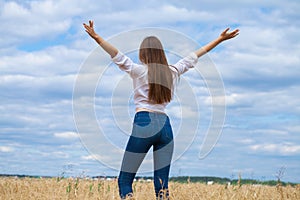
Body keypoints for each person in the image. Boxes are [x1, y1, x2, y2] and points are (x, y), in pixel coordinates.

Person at [83, 20, 239, 200]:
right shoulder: (172, 72)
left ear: (143, 54)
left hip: (144, 122)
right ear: (162, 54)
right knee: (162, 184)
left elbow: (116, 54)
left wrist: (96, 37)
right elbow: (194, 56)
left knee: (125, 180)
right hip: (165, 127)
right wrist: (219, 39)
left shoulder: (138, 71)